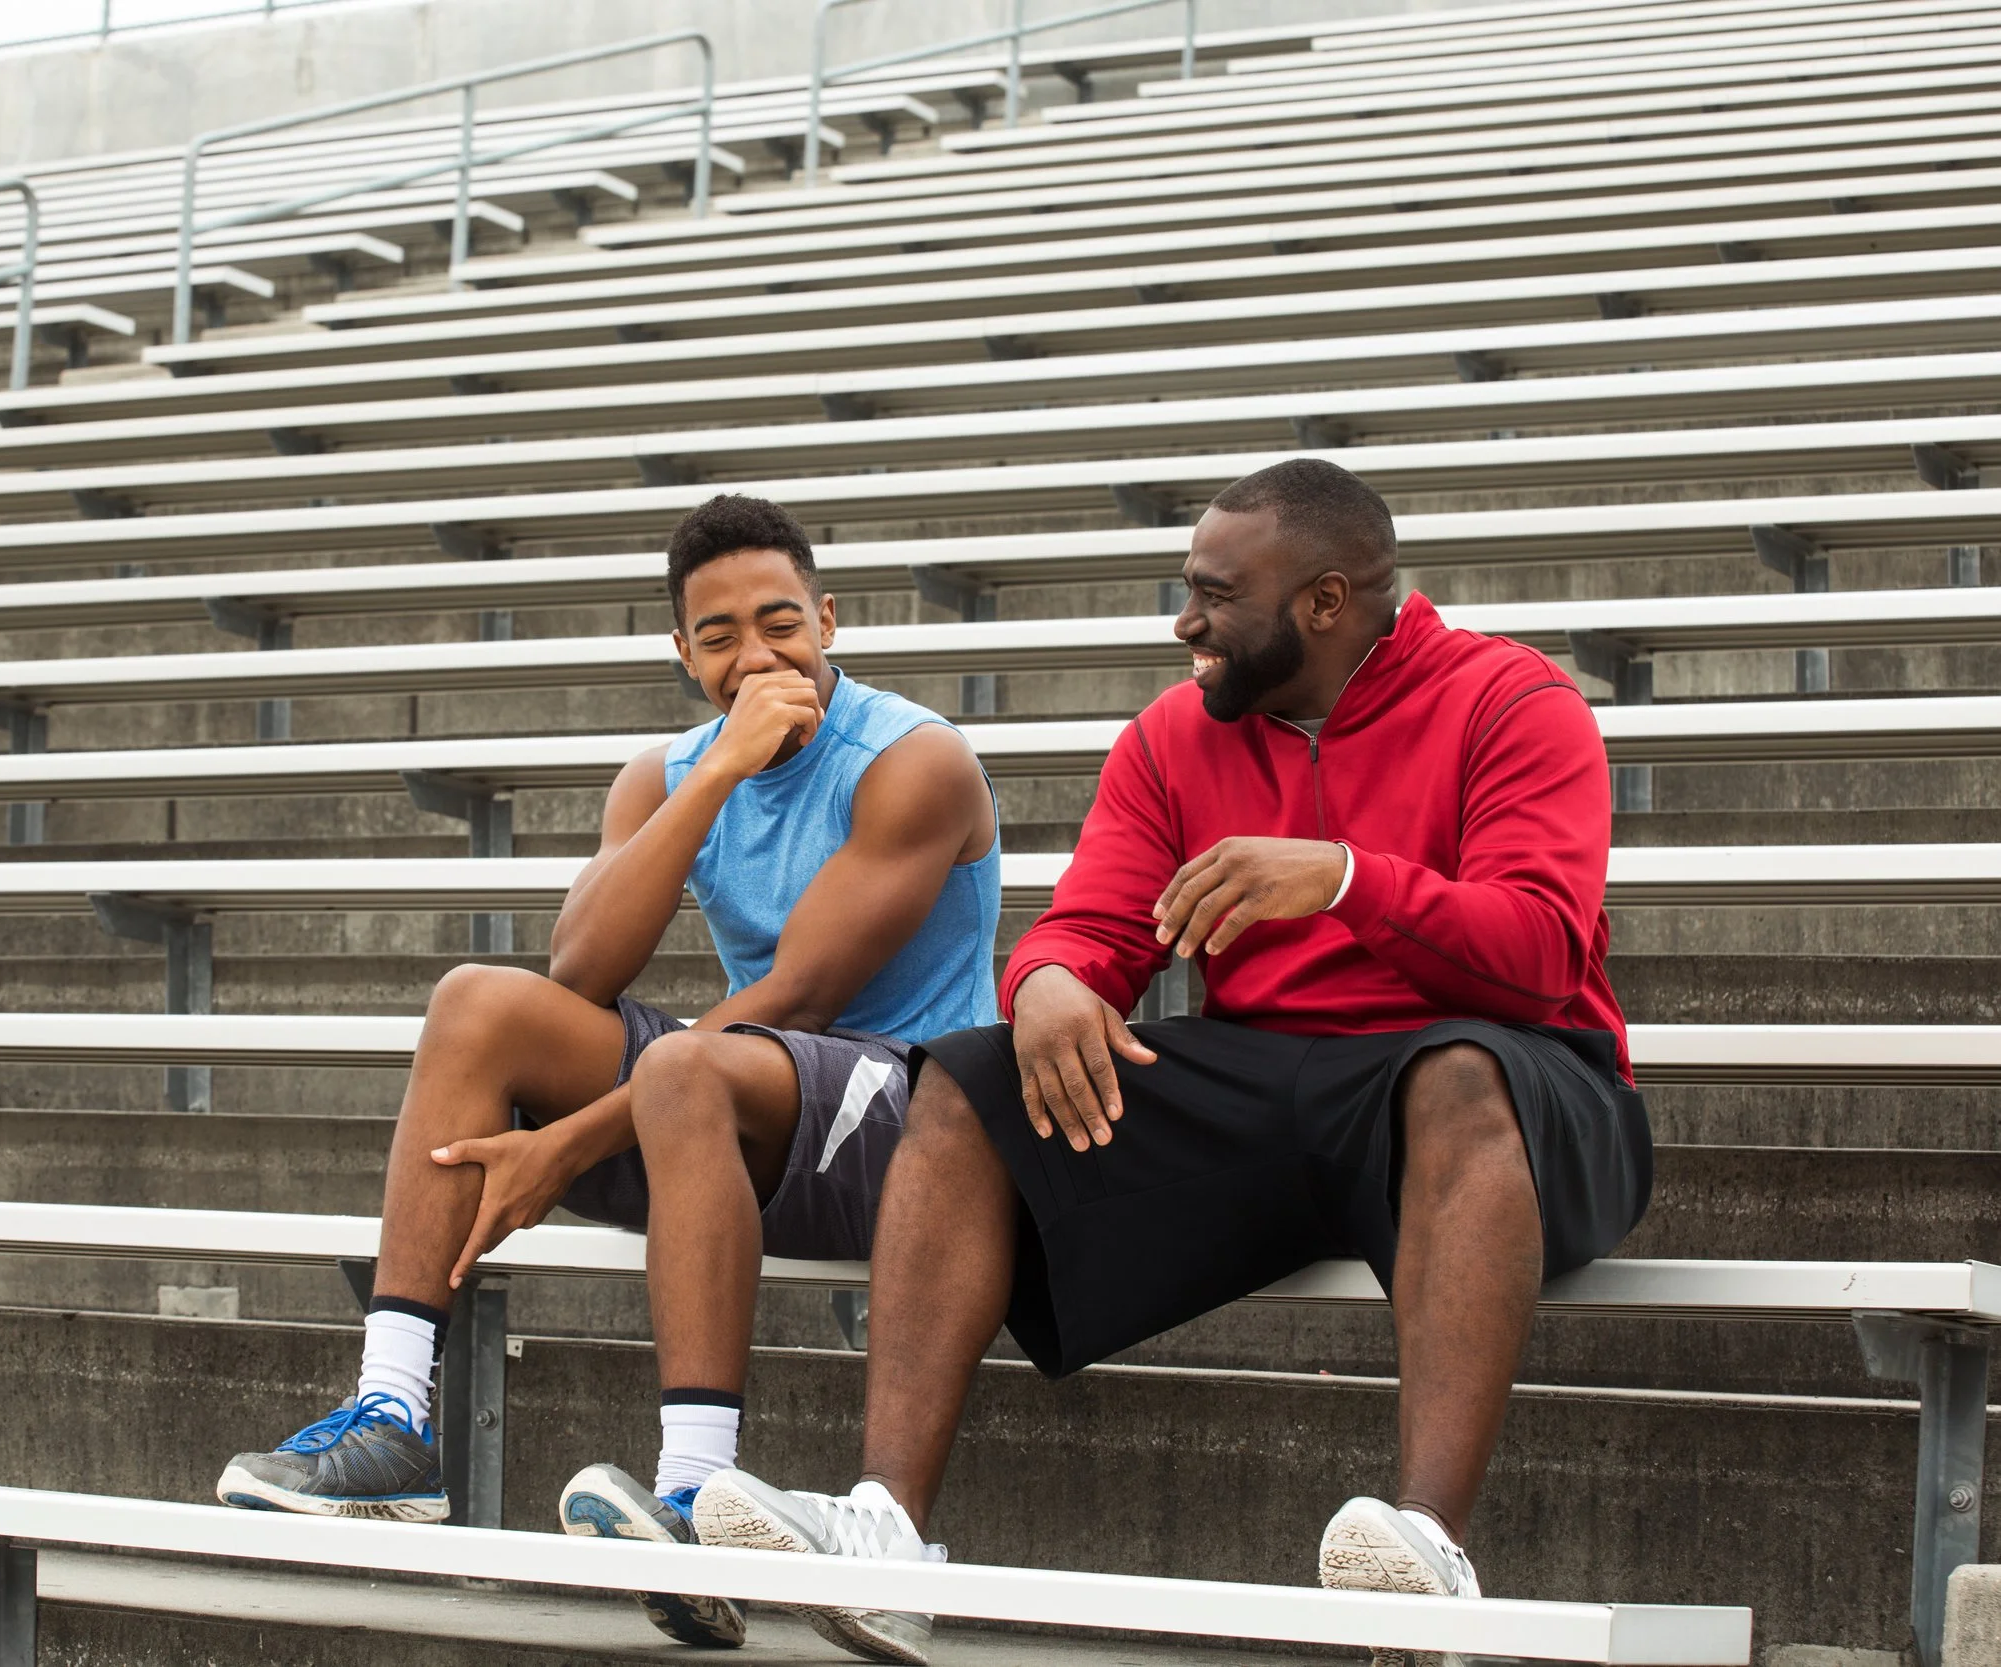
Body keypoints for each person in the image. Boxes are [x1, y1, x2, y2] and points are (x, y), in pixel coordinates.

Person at [692, 456, 1654, 1666]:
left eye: (1213, 594)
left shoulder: (1512, 700)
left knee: (1455, 1072)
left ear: (1323, 600)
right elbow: (1088, 929)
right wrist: (1045, 987)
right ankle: (883, 1534)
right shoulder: (1171, 733)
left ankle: (1428, 1555)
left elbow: (1540, 950)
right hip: (1274, 1075)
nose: (1184, 620)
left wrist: (1345, 877)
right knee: (968, 1077)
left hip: (1520, 1078)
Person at [215, 492, 1004, 1651]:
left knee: (689, 1062)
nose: (757, 654)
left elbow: (801, 998)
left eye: (780, 622)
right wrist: (714, 775)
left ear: (829, 619)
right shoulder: (671, 771)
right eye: (720, 635)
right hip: (742, 1096)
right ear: (682, 654)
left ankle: (692, 1492)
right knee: (477, 1005)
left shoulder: (914, 759)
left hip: (916, 1119)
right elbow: (580, 964)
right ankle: (392, 1418)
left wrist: (573, 1139)